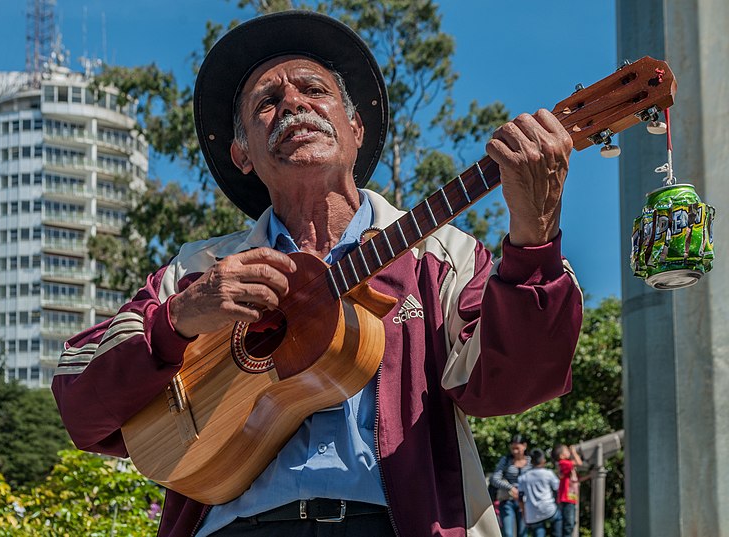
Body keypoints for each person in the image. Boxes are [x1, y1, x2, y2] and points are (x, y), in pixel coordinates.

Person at [52, 10, 583, 537]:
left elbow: (515, 385)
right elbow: (81, 404)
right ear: (242, 153)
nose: (294, 104)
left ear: (355, 128)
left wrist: (535, 238)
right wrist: (179, 318)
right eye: (267, 102)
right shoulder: (198, 272)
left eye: (313, 89)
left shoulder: (441, 257)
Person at [491, 434, 531, 537]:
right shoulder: (505, 460)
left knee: (523, 533)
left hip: (526, 502)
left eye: (517, 448)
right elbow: (494, 479)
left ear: (524, 446)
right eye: (513, 448)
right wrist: (510, 487)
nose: (515, 451)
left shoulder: (531, 461)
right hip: (507, 500)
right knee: (508, 533)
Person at [517, 449, 562, 537]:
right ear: (543, 460)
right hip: (549, 509)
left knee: (538, 532)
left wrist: (524, 514)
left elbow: (520, 498)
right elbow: (557, 488)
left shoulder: (523, 478)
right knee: (558, 518)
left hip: (532, 514)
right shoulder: (548, 473)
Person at [552, 444, 583, 537]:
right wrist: (574, 452)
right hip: (566, 498)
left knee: (570, 523)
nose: (569, 451)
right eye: (567, 450)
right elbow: (579, 463)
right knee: (568, 524)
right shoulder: (563, 463)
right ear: (561, 456)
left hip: (570, 497)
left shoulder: (566, 464)